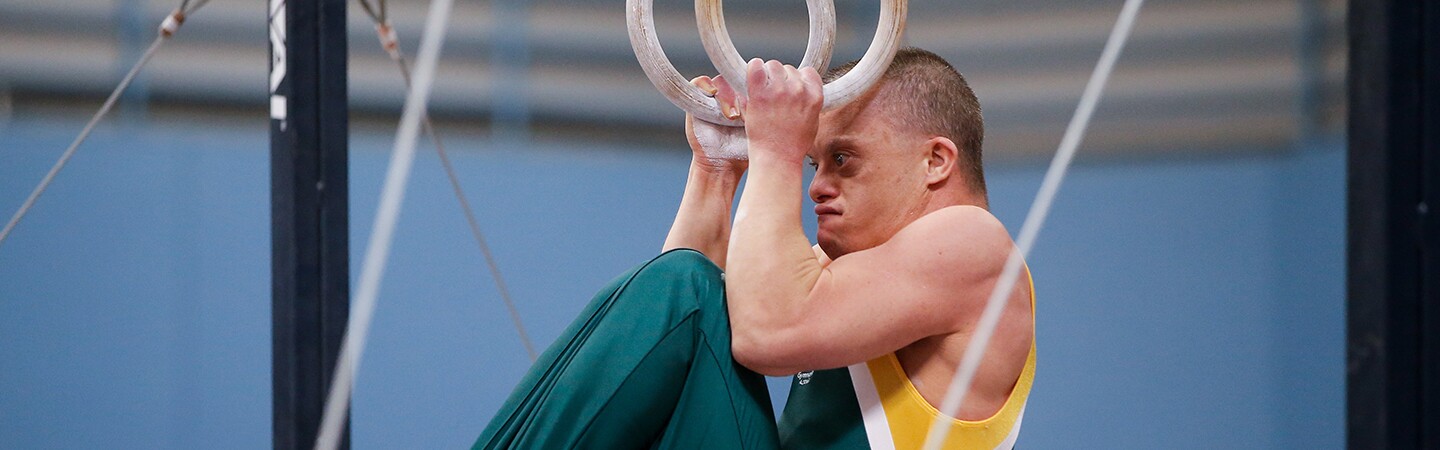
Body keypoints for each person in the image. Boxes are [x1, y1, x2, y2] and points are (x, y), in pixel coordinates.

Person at [474, 47, 1034, 450]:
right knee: (685, 286)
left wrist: (777, 154)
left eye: (843, 159)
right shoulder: (847, 276)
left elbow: (767, 332)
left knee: (685, 290)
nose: (815, 185)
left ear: (935, 161)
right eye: (814, 163)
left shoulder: (977, 247)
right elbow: (681, 341)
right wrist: (716, 172)